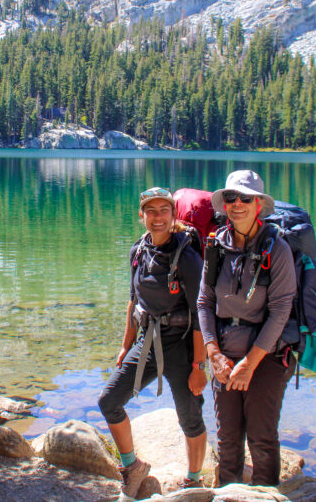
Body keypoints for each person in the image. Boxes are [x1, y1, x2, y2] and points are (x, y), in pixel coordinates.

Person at [98, 187, 209, 497]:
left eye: (164, 210)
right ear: (141, 215)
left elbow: (201, 314)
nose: (157, 217)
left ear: (173, 215)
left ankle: (194, 480)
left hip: (183, 345)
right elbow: (133, 302)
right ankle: (132, 467)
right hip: (146, 341)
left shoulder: (186, 258)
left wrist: (199, 366)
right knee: (109, 402)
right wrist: (125, 345)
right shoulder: (138, 251)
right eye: (151, 211)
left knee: (190, 417)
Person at [197, 170, 296, 486]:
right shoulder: (216, 246)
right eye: (231, 198)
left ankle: (267, 492)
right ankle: (228, 492)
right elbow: (204, 302)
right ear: (224, 204)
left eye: (245, 198)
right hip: (224, 355)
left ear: (258, 205)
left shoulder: (276, 250)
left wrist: (249, 365)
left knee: (261, 437)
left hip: (267, 356)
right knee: (227, 439)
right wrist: (213, 353)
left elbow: (281, 312)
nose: (237, 204)